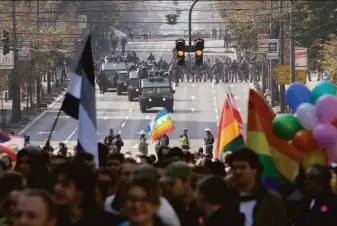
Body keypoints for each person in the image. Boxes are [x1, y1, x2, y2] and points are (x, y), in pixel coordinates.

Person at [227, 147, 288, 226]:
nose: (238, 172)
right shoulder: (225, 199)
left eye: (242, 167)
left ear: (255, 170)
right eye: (234, 168)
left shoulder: (272, 200)